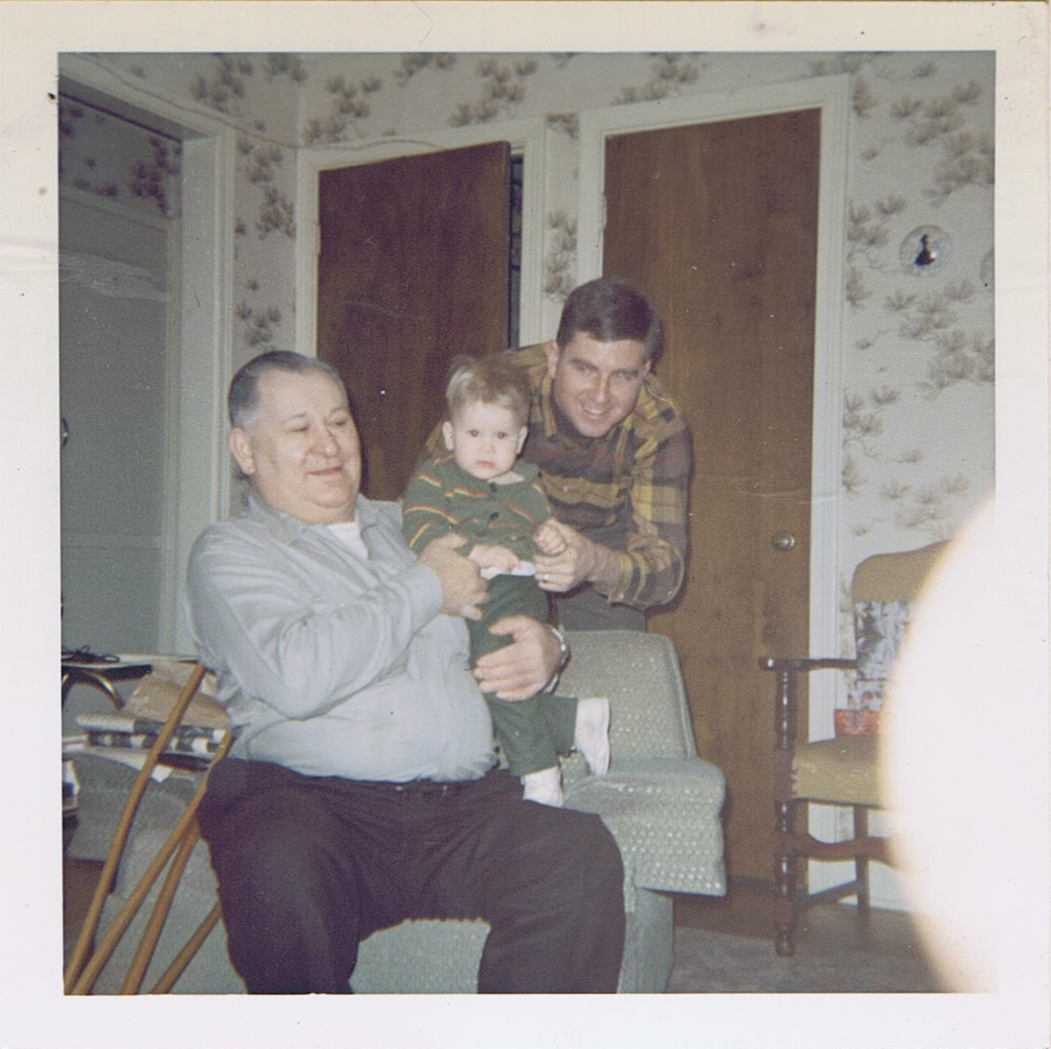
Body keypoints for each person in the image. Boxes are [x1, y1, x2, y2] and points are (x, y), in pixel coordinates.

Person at [185, 350, 625, 994]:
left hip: (456, 806)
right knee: (275, 862)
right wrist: (426, 587)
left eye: (339, 422)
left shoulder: (418, 523)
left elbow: (508, 603)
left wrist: (547, 649)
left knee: (576, 854)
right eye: (300, 428)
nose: (329, 445)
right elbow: (294, 677)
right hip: (313, 807)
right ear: (245, 450)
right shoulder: (230, 552)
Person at [402, 353, 610, 807]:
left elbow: (542, 533)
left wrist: (550, 539)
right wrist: (473, 551)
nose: (486, 448)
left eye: (500, 436)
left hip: (516, 586)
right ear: (451, 435)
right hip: (467, 586)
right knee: (473, 679)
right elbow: (419, 530)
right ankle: (572, 720)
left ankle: (540, 775)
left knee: (495, 668)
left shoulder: (528, 486)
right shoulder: (435, 478)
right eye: (474, 434)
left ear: (519, 440)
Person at [427, 277, 691, 631]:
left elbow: (665, 572)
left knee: (620, 658)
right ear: (553, 358)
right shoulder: (496, 388)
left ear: (645, 372)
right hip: (491, 533)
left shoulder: (659, 425)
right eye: (584, 368)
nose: (600, 396)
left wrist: (594, 562)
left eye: (623, 376)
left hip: (598, 548)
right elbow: (427, 495)